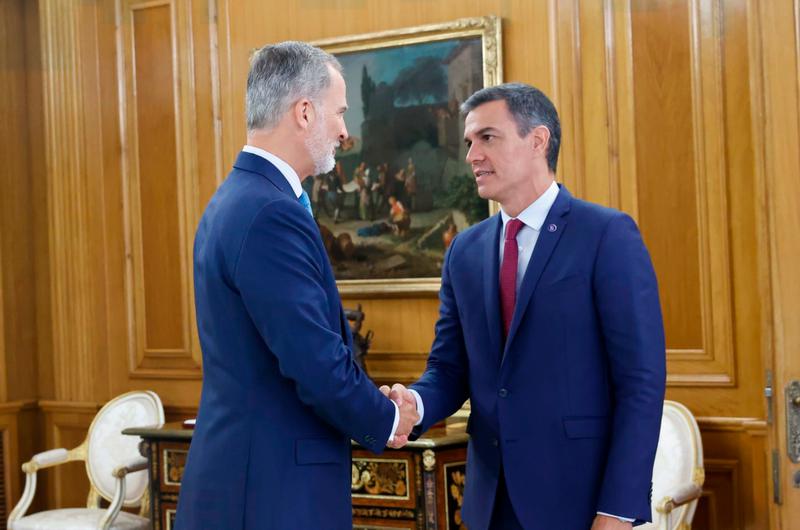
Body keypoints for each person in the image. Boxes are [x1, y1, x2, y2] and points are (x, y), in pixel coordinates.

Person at [384, 83, 666, 530]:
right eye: (469, 142)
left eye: (487, 138)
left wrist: (617, 510)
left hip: (579, 504)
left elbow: (641, 385)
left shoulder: (606, 236)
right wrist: (415, 404)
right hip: (489, 504)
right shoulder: (465, 250)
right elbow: (450, 369)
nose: (472, 154)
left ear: (538, 141)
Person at [175, 41, 418, 530]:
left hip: (253, 485)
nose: (346, 131)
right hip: (270, 496)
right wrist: (389, 419)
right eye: (340, 112)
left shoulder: (239, 199)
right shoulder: (270, 212)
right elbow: (313, 362)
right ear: (304, 112)